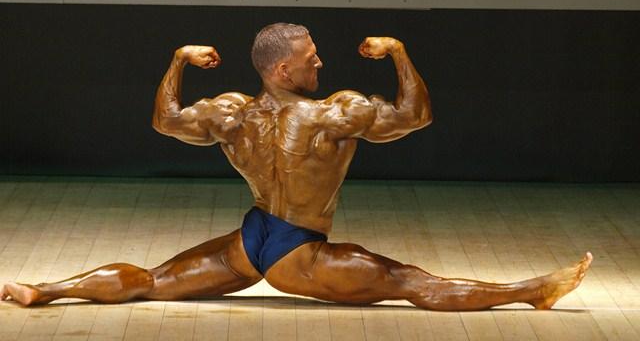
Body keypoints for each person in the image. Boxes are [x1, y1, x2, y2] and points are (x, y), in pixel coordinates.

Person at [1, 23, 591, 309]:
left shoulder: (231, 113)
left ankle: (43, 291)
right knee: (411, 281)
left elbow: (166, 119)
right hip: (298, 252)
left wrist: (178, 60)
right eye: (311, 58)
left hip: (252, 238)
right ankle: (532, 291)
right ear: (284, 70)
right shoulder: (333, 114)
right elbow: (415, 115)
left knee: (153, 281)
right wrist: (399, 53)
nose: (320, 63)